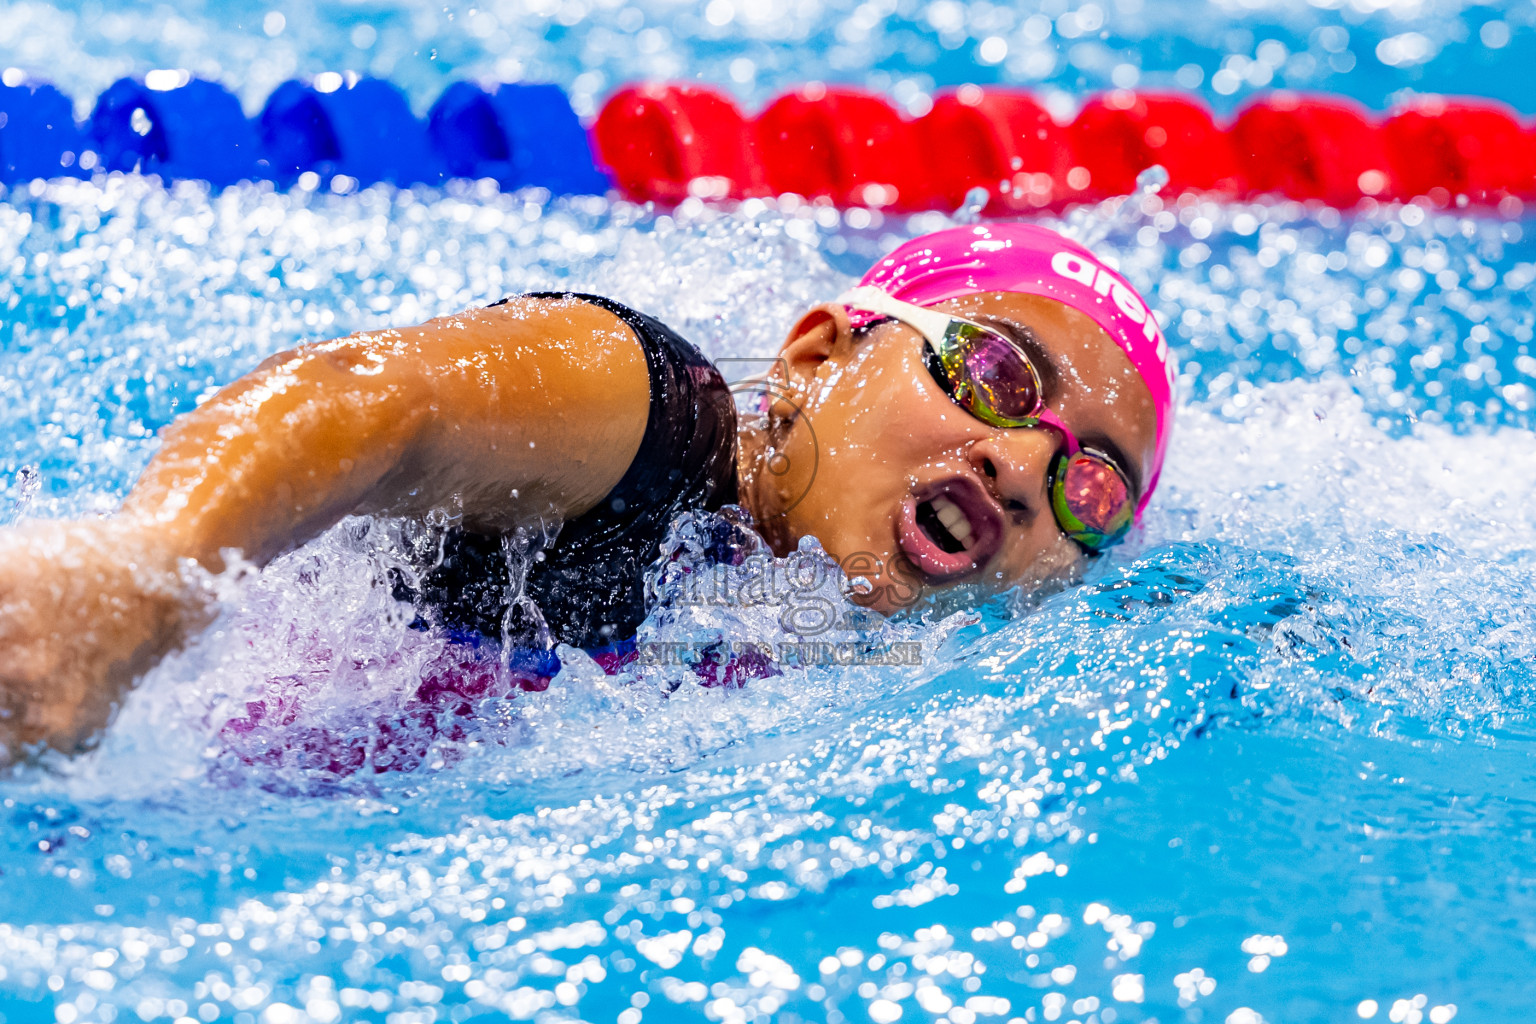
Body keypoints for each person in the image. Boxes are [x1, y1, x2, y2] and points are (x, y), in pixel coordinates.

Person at [0, 223, 1173, 757]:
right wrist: (149, 573)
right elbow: (369, 396)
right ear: (819, 356)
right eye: (996, 371)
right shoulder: (651, 420)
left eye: (1095, 488)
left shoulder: (877, 677)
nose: (1025, 465)